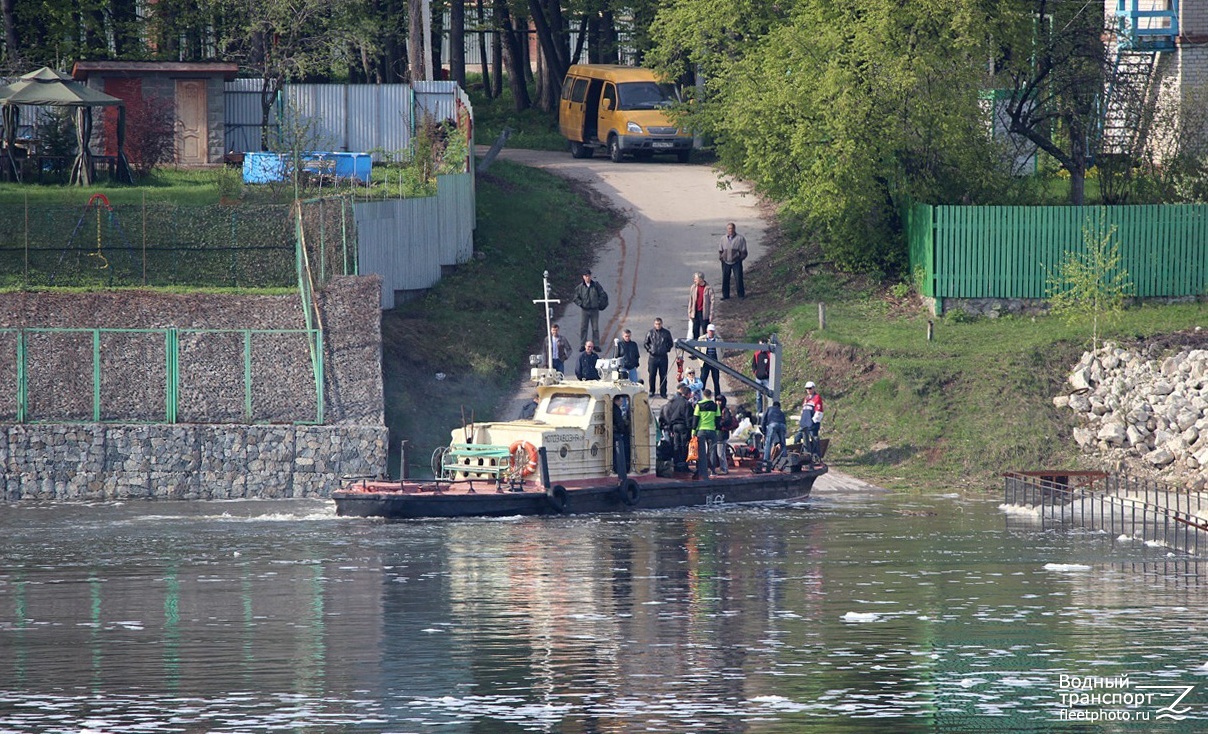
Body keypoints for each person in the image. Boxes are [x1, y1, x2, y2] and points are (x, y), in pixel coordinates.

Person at [660, 385, 693, 471]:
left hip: (674, 426)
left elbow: (669, 414)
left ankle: (676, 464)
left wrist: (670, 427)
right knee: (684, 446)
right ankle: (683, 465)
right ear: (688, 394)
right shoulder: (687, 403)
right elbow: (688, 417)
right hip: (683, 427)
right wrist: (690, 428)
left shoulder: (673, 402)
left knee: (676, 445)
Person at [572, 269, 609, 348]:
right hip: (584, 310)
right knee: (583, 327)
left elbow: (602, 294)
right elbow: (575, 298)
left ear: (590, 276)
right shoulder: (580, 287)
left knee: (595, 328)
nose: (587, 277)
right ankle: (583, 344)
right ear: (583, 277)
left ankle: (596, 345)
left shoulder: (596, 285)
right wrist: (581, 304)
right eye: (586, 276)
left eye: (588, 275)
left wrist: (598, 302)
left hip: (594, 310)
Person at [693, 389, 720, 480]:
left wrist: (693, 430)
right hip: (712, 430)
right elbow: (718, 419)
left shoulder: (699, 405)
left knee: (702, 452)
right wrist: (717, 430)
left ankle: (703, 473)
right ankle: (713, 471)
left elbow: (695, 418)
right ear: (711, 395)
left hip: (701, 430)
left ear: (703, 395)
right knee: (712, 451)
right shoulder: (715, 406)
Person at [643, 317, 674, 398]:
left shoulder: (666, 333)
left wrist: (666, 350)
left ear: (661, 324)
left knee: (663, 375)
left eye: (659, 324)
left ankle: (663, 392)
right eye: (656, 324)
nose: (658, 325)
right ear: (654, 324)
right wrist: (650, 350)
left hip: (663, 357)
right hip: (653, 357)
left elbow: (670, 343)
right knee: (652, 375)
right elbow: (646, 343)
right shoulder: (650, 333)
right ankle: (651, 391)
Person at [719, 222, 748, 299]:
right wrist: (722, 258)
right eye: (728, 228)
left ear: (734, 229)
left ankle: (741, 295)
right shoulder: (723, 239)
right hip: (725, 262)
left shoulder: (740, 239)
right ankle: (725, 295)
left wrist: (740, 259)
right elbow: (720, 250)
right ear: (726, 229)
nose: (730, 230)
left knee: (738, 278)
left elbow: (744, 251)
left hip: (736, 262)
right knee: (725, 279)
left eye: (731, 228)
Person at [797, 381, 825, 456]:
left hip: (812, 424)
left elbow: (819, 411)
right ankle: (801, 454)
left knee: (814, 439)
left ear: (813, 388)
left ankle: (816, 456)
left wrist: (813, 421)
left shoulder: (817, 398)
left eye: (810, 388)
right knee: (798, 437)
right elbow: (803, 411)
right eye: (807, 388)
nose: (808, 390)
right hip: (804, 424)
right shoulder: (806, 399)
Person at [686, 272, 714, 341]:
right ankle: (696, 346)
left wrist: (711, 314)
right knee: (695, 330)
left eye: (696, 279)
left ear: (701, 279)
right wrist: (689, 311)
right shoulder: (693, 287)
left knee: (705, 330)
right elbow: (691, 300)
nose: (694, 280)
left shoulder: (708, 289)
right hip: (695, 312)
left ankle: (705, 346)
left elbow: (712, 303)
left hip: (704, 313)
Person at [713, 394, 736, 474]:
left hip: (722, 434)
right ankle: (722, 467)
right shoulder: (717, 410)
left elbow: (727, 421)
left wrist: (719, 423)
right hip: (718, 434)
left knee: (720, 452)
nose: (718, 403)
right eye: (717, 400)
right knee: (719, 452)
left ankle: (724, 469)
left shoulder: (725, 410)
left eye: (720, 401)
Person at [762, 400, 787, 468]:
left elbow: (763, 420)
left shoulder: (769, 409)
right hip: (782, 425)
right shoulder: (781, 412)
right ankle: (785, 460)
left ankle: (766, 461)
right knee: (783, 443)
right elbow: (784, 423)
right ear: (779, 406)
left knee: (768, 443)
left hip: (772, 424)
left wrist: (764, 432)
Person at [699, 324, 722, 397]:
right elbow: (697, 349)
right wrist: (701, 358)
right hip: (705, 362)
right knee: (703, 379)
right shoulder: (702, 339)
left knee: (716, 380)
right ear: (707, 331)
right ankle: (700, 396)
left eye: (712, 331)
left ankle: (718, 396)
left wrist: (719, 357)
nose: (711, 332)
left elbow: (722, 350)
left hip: (715, 361)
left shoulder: (719, 339)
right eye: (710, 331)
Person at [613, 395, 631, 476]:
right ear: (616, 401)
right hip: (616, 434)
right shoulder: (616, 410)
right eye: (620, 401)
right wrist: (624, 429)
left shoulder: (613, 408)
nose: (621, 403)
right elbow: (619, 423)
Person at [752, 338, 771, 413]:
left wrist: (767, 373)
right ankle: (759, 412)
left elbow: (772, 365)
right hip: (758, 378)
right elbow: (754, 364)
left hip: (767, 379)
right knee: (758, 397)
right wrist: (755, 372)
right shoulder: (756, 354)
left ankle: (769, 412)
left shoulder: (770, 354)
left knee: (769, 396)